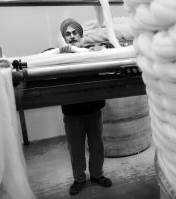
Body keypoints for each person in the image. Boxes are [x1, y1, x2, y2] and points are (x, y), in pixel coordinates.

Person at [59, 18, 113, 195]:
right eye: (68, 34)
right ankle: (79, 179)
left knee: (97, 144)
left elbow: (113, 48)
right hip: (72, 111)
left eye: (75, 32)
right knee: (76, 148)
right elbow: (45, 54)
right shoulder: (59, 54)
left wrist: (100, 47)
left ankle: (97, 175)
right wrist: (62, 52)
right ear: (64, 38)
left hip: (93, 108)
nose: (72, 36)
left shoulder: (92, 51)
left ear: (81, 35)